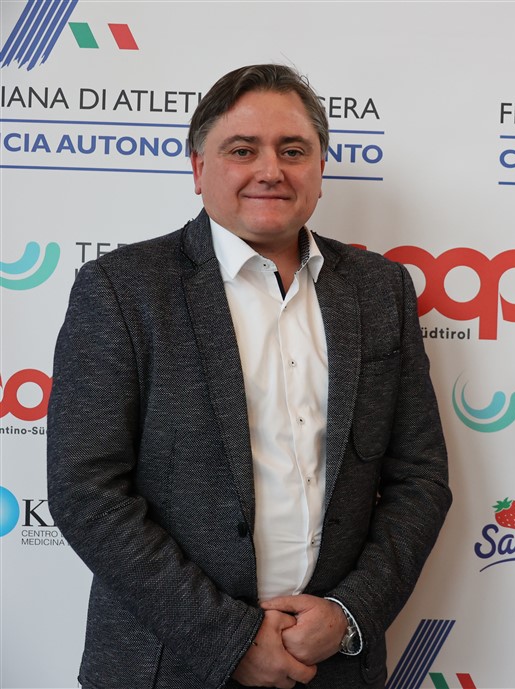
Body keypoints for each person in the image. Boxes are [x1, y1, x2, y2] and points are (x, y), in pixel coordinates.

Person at [47, 64, 451, 689]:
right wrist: (230, 640)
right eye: (242, 150)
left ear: (320, 169)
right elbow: (86, 491)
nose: (270, 170)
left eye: (293, 150)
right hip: (167, 666)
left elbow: (420, 477)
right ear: (198, 168)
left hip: (333, 665)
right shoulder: (122, 290)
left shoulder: (381, 291)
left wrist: (348, 614)